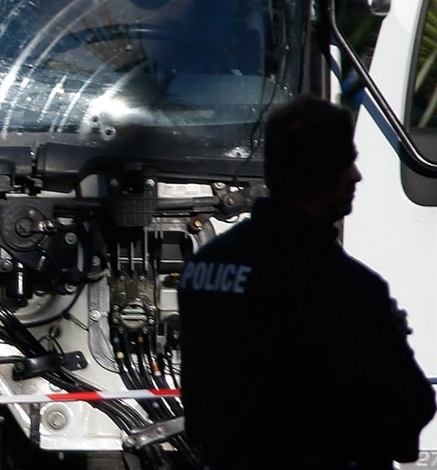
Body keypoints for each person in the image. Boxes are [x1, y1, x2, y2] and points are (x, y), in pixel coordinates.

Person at [178, 94, 435, 469]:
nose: (356, 176)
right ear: (326, 173)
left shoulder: (205, 266)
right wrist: (386, 332)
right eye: (348, 162)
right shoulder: (342, 286)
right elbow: (403, 415)